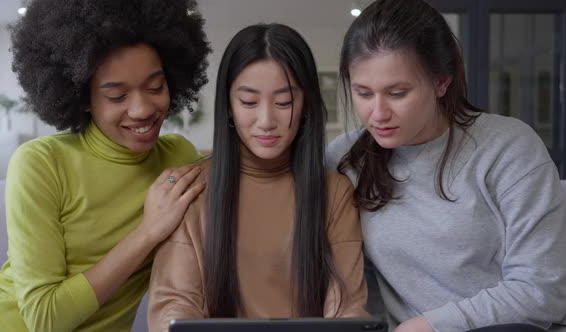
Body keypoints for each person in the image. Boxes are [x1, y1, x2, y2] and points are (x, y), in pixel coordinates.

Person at [326, 0, 566, 331]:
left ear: (442, 82)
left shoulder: (508, 148)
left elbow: (541, 291)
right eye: (363, 93)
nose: (377, 114)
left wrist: (425, 326)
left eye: (397, 93)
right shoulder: (346, 158)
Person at [0, 0, 210, 331]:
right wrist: (148, 232)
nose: (142, 109)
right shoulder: (41, 163)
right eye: (117, 96)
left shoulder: (179, 157)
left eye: (155, 87)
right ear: (84, 98)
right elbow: (45, 319)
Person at [147, 23, 369, 332]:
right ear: (228, 106)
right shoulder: (192, 190)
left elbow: (346, 306)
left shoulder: (334, 192)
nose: (266, 121)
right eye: (249, 102)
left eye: (284, 102)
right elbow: (173, 307)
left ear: (306, 105)